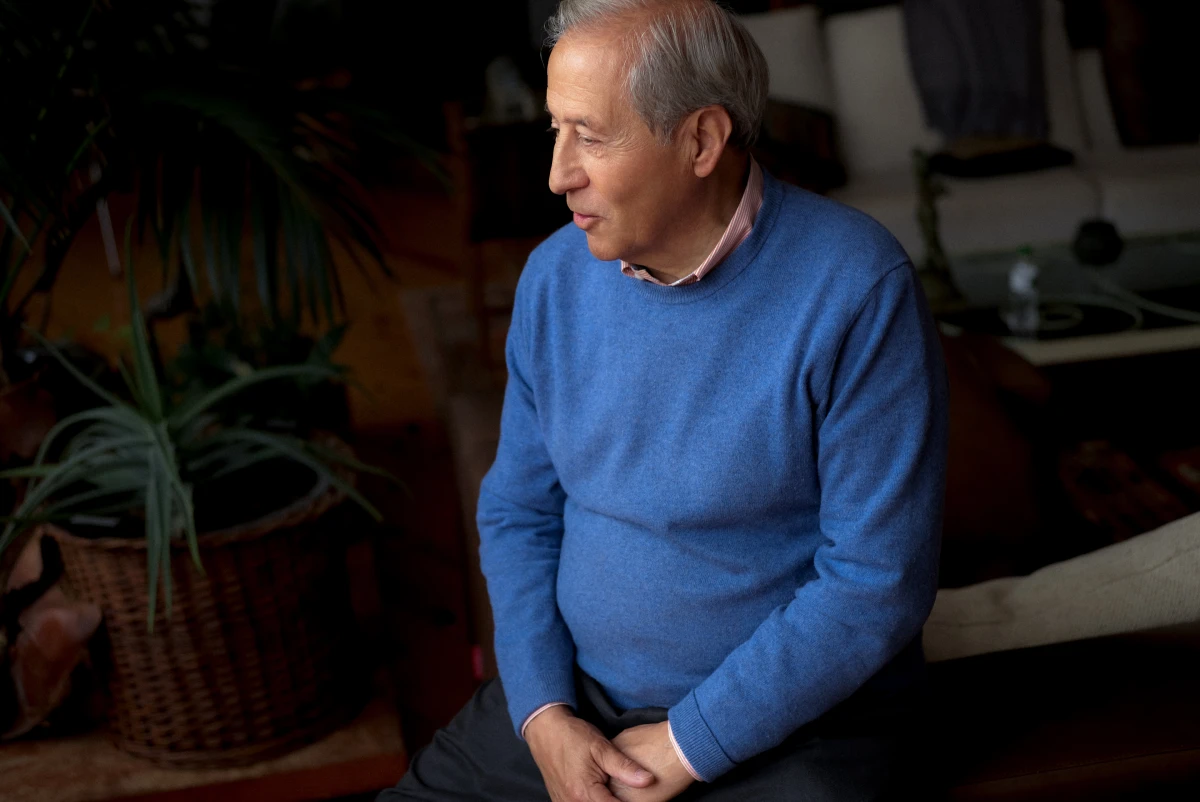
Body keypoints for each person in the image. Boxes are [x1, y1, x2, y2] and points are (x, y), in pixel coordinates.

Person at [379, 0, 948, 799]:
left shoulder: (856, 286)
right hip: (578, 700)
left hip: (799, 722)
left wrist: (686, 746)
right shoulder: (553, 277)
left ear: (701, 141)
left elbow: (875, 581)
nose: (557, 174)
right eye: (555, 130)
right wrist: (543, 713)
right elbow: (518, 513)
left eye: (590, 135)